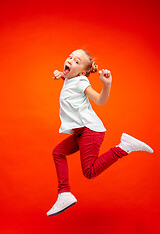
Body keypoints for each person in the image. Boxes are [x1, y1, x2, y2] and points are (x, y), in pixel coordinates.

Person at [46, 49, 153, 217]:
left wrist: (106, 85)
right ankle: (64, 193)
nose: (70, 60)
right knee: (58, 152)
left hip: (90, 131)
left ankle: (123, 147)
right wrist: (61, 74)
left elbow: (100, 101)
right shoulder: (71, 78)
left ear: (82, 72)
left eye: (76, 61)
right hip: (81, 132)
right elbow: (69, 78)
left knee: (89, 172)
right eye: (70, 57)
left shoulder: (81, 82)